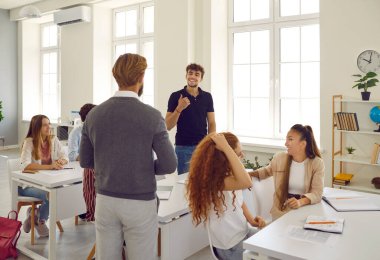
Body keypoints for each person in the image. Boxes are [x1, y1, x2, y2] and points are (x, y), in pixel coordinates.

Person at [80, 53, 177, 260]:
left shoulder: (94, 115)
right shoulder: (152, 116)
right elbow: (169, 164)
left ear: (116, 77)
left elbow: (86, 161)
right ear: (141, 77)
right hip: (139, 201)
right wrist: (145, 166)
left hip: (105, 200)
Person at [186, 132, 265, 260]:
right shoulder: (214, 181)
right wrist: (227, 148)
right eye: (238, 154)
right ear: (225, 156)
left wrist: (251, 220)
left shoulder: (227, 175)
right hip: (230, 246)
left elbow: (239, 200)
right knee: (268, 254)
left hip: (243, 233)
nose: (242, 156)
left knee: (272, 249)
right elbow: (246, 182)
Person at [250, 124, 325, 220]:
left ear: (303, 144)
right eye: (286, 139)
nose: (286, 143)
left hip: (305, 210)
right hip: (281, 211)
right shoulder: (280, 158)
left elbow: (317, 193)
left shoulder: (316, 163)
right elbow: (265, 171)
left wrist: (300, 202)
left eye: (290, 139)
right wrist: (246, 174)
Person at [20, 114, 68, 237]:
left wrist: (62, 160)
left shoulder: (53, 139)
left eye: (49, 124)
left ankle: (34, 216)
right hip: (27, 185)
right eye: (45, 125)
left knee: (60, 191)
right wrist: (50, 166)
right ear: (37, 128)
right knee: (50, 193)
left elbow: (64, 154)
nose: (49, 127)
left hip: (46, 182)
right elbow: (25, 165)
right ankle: (41, 221)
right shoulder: (29, 142)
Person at [166, 63, 216, 174]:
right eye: (190, 73)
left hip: (203, 147)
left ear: (201, 78)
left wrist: (210, 144)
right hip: (183, 148)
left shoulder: (207, 97)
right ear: (186, 76)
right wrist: (179, 108)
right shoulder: (176, 96)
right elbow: (168, 125)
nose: (193, 76)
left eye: (197, 74)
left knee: (204, 182)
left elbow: (212, 123)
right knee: (185, 184)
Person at [68, 103, 96, 221]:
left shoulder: (97, 131)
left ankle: (89, 210)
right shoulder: (76, 132)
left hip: (92, 169)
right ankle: (86, 210)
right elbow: (72, 155)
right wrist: (89, 156)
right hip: (81, 169)